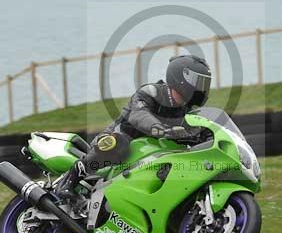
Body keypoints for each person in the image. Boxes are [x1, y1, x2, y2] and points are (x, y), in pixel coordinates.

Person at [55, 54, 212, 201]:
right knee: (118, 143)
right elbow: (139, 116)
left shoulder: (187, 113)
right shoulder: (151, 92)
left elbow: (199, 130)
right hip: (113, 143)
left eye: (204, 83)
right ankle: (70, 179)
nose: (201, 88)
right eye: (198, 81)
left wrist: (211, 135)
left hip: (146, 156)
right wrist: (161, 128)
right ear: (180, 77)